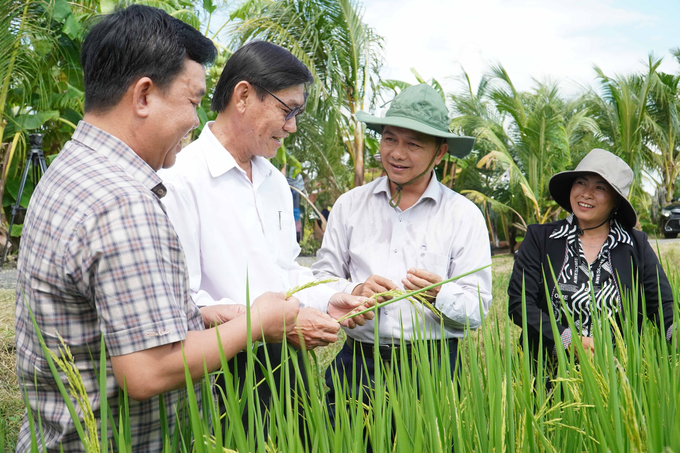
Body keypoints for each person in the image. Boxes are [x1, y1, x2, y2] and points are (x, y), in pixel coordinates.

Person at [13, 7, 299, 452]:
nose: (195, 119)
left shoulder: (71, 169)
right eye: (191, 100)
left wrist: (199, 316)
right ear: (143, 95)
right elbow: (147, 372)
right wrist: (259, 320)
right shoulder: (125, 202)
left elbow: (103, 312)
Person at [158, 41, 373, 425]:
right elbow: (184, 301)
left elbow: (285, 271)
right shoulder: (180, 179)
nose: (291, 126)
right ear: (243, 96)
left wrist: (336, 296)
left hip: (284, 364)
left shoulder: (274, 182)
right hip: (216, 369)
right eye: (286, 110)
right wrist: (272, 322)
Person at [311, 83, 493, 413]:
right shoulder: (350, 205)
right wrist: (355, 289)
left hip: (432, 368)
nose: (396, 153)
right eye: (390, 138)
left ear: (440, 152)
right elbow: (322, 279)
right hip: (358, 365)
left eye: (413, 144)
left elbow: (477, 308)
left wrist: (440, 295)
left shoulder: (463, 216)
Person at [507, 149, 675, 359]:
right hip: (546, 373)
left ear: (615, 201)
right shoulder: (540, 238)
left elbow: (661, 305)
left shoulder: (635, 244)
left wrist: (674, 333)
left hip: (617, 373)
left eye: (600, 187)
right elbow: (519, 304)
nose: (586, 193)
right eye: (581, 182)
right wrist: (567, 339)